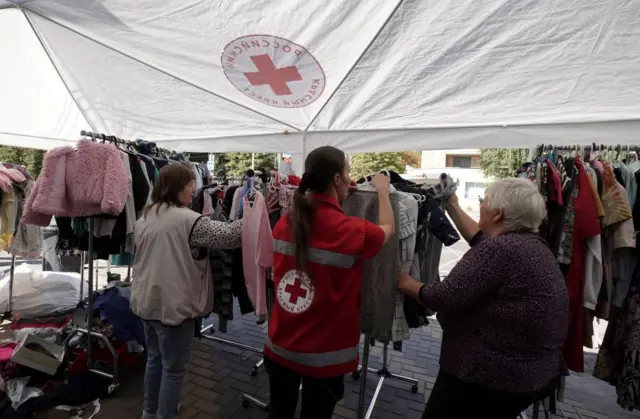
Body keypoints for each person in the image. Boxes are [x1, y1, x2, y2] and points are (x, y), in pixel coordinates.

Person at [397, 177, 570, 419]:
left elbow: (445, 297)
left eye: (483, 201)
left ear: (497, 214)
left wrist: (404, 281)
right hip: (529, 373)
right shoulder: (531, 245)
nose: (481, 205)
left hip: (488, 377)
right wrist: (453, 206)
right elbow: (479, 238)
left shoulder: (500, 250)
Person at [265, 146, 396, 419]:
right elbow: (388, 229)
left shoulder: (286, 222)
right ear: (336, 179)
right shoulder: (352, 231)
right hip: (324, 359)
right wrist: (382, 190)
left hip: (280, 348)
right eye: (347, 173)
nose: (350, 179)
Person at [130, 164, 243, 419]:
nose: (194, 189)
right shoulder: (189, 221)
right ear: (176, 187)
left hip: (146, 302)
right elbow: (229, 237)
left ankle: (149, 411)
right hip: (174, 306)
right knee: (173, 369)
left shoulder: (145, 216)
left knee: (155, 360)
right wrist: (255, 213)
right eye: (190, 184)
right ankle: (166, 414)